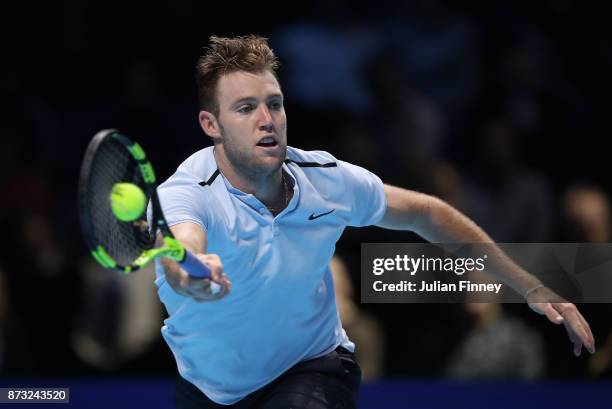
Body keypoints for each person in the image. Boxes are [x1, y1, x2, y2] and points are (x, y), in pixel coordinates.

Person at [154, 35, 595, 408]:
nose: (267, 120)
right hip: (208, 390)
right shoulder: (187, 193)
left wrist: (529, 285)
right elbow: (182, 247)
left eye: (275, 104)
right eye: (246, 108)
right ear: (211, 124)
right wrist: (192, 271)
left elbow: (427, 213)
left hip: (312, 368)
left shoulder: (325, 179)